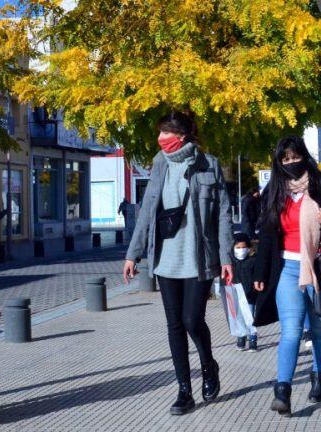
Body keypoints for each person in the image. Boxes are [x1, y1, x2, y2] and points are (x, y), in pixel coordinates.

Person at [122, 111, 233, 416]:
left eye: (166, 133)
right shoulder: (159, 164)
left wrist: (226, 257)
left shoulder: (208, 164)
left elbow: (223, 214)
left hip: (198, 257)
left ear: (182, 135)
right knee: (174, 324)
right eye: (159, 133)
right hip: (166, 258)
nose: (161, 139)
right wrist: (134, 253)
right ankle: (184, 391)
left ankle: (209, 365)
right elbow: (146, 211)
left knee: (192, 320)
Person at [253, 135, 321, 416]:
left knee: (319, 328)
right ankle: (283, 389)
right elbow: (268, 233)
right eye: (286, 159)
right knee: (291, 330)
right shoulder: (275, 190)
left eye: (295, 157)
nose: (291, 163)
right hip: (287, 268)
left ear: (304, 156)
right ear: (279, 162)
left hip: (320, 267)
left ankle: (319, 377)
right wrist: (260, 270)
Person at [231, 232, 259, 352]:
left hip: (249, 295)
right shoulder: (232, 261)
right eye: (238, 248)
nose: (241, 250)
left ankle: (252, 339)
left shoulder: (253, 260)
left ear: (248, 248)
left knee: (250, 318)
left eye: (243, 248)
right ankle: (241, 338)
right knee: (239, 317)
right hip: (237, 294)